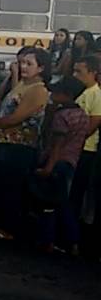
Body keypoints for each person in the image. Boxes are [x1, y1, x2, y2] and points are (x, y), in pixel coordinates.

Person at [0, 47, 50, 242]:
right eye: (22, 63)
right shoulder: (22, 84)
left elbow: (15, 118)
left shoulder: (38, 89)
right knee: (2, 186)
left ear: (41, 68)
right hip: (5, 142)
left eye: (29, 64)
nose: (24, 67)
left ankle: (8, 228)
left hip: (19, 146)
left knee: (11, 188)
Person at [31, 77, 89, 252]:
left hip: (56, 162)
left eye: (57, 92)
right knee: (62, 201)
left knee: (50, 203)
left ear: (67, 94)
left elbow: (57, 145)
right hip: (71, 162)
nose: (52, 94)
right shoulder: (82, 115)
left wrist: (48, 167)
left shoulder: (61, 116)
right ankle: (70, 240)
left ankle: (49, 239)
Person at [71, 54, 101, 256]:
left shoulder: (96, 95)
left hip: (86, 150)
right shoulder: (82, 92)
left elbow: (93, 123)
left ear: (93, 73)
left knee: (77, 193)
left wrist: (75, 141)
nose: (75, 75)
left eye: (79, 72)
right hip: (74, 149)